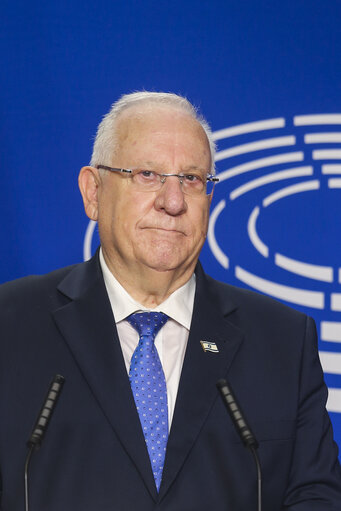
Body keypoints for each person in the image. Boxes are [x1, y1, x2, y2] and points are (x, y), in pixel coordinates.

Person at [0, 91, 341, 511]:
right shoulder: (10, 326)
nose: (173, 201)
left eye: (192, 179)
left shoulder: (284, 342)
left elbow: (315, 496)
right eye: (147, 174)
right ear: (93, 192)